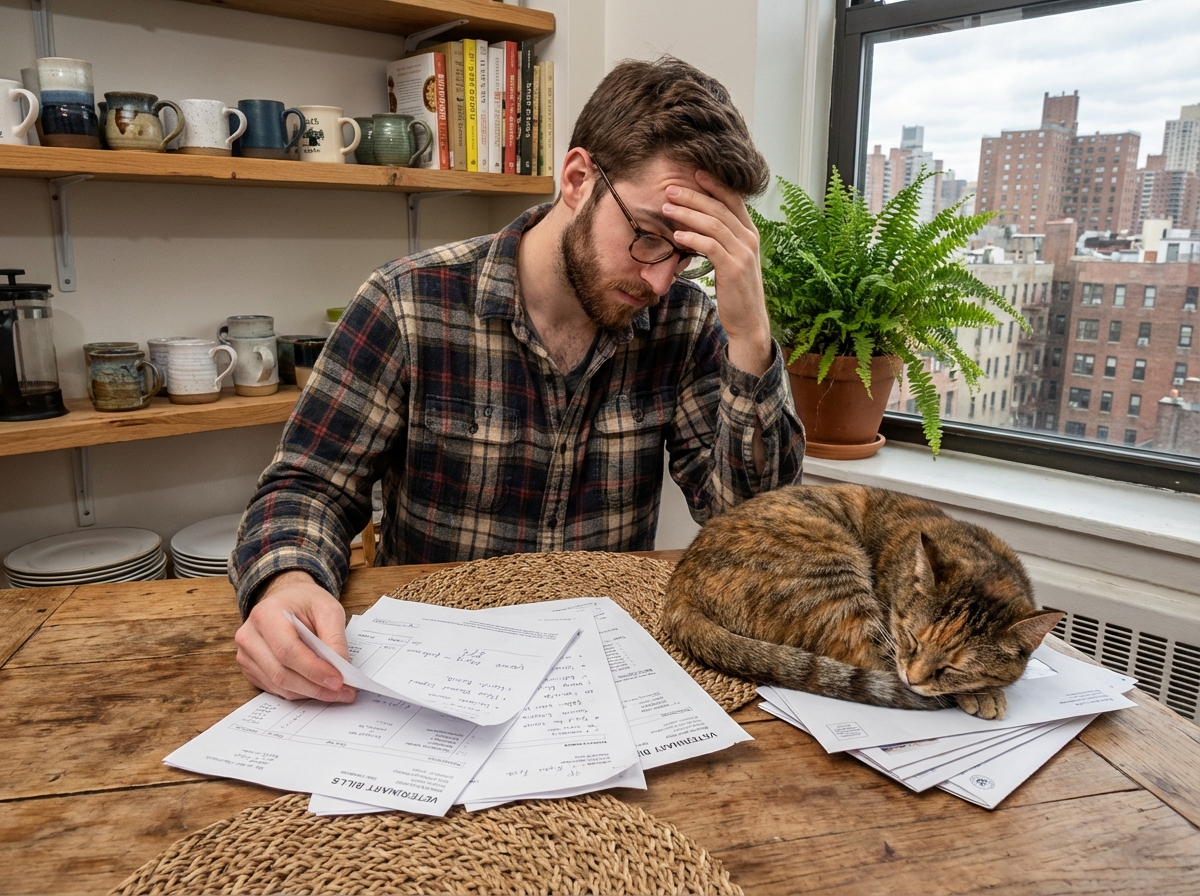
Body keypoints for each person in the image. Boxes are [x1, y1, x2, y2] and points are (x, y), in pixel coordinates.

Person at [231, 57, 806, 704]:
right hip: (427, 674)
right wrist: (288, 585)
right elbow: (307, 485)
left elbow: (753, 530)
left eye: (689, 255)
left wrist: (751, 341)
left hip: (600, 679)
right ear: (578, 178)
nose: (659, 280)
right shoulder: (409, 303)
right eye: (648, 236)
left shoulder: (686, 326)